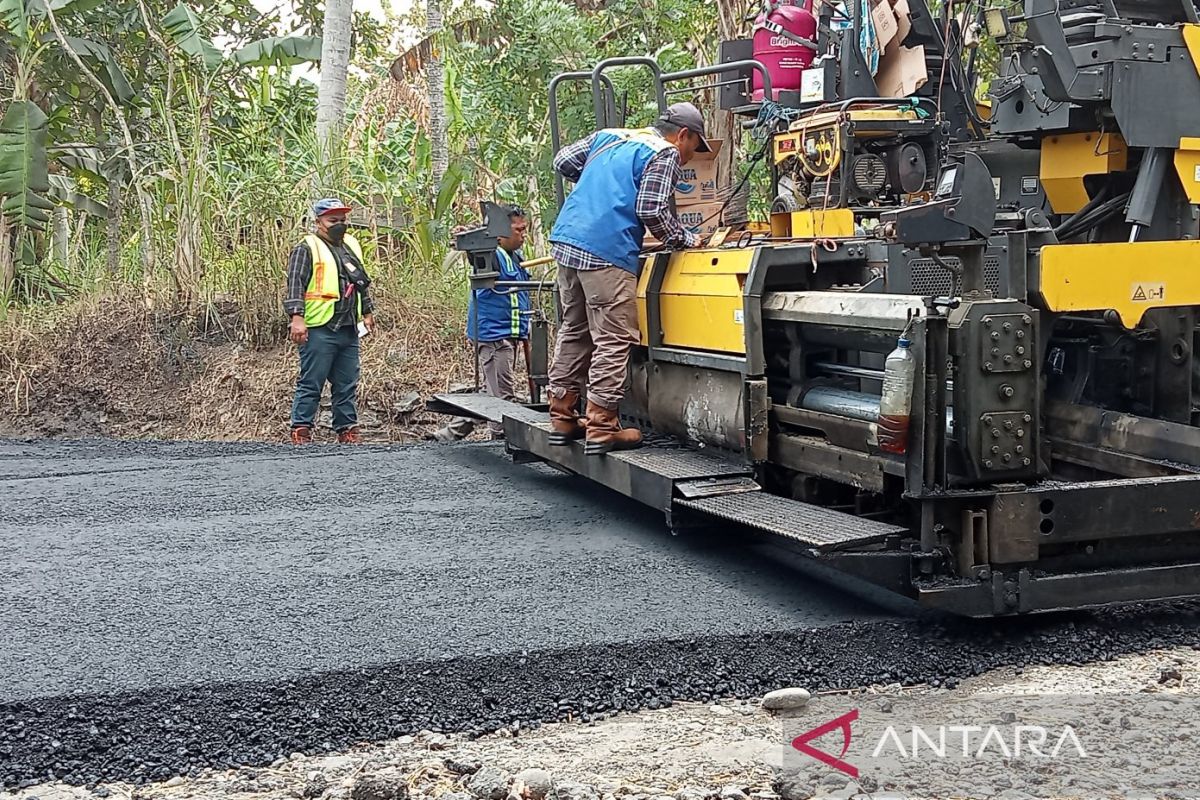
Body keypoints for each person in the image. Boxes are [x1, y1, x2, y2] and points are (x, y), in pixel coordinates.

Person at [546, 102, 707, 455]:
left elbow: (562, 161)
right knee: (615, 337)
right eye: (693, 148)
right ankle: (603, 426)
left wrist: (601, 184)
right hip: (606, 249)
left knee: (575, 330)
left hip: (569, 241)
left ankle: (562, 417)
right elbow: (651, 210)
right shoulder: (665, 153)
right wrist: (685, 239)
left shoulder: (611, 136)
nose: (689, 157)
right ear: (683, 135)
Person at [434, 205, 532, 442]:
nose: (524, 235)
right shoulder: (492, 253)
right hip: (494, 336)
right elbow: (475, 254)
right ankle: (501, 439)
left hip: (509, 331)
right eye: (519, 230)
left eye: (525, 229)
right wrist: (468, 234)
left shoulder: (514, 257)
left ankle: (446, 436)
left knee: (493, 389)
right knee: (502, 396)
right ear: (500, 232)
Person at [285, 197, 376, 445]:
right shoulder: (307, 248)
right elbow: (295, 285)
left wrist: (367, 311)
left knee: (346, 382)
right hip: (319, 326)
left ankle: (347, 430)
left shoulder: (350, 246)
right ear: (318, 222)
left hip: (348, 326)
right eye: (332, 220)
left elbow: (361, 282)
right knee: (311, 381)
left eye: (342, 220)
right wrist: (297, 318)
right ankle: (301, 431)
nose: (339, 224)